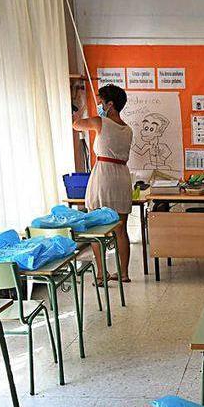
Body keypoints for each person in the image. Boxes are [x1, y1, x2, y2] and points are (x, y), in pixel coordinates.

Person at [72, 84, 132, 282]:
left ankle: (100, 274)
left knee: (96, 228)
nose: (99, 106)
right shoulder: (127, 129)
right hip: (122, 177)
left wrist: (79, 107)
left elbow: (77, 124)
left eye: (100, 103)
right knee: (121, 229)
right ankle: (123, 274)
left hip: (104, 176)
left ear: (110, 104)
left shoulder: (101, 122)